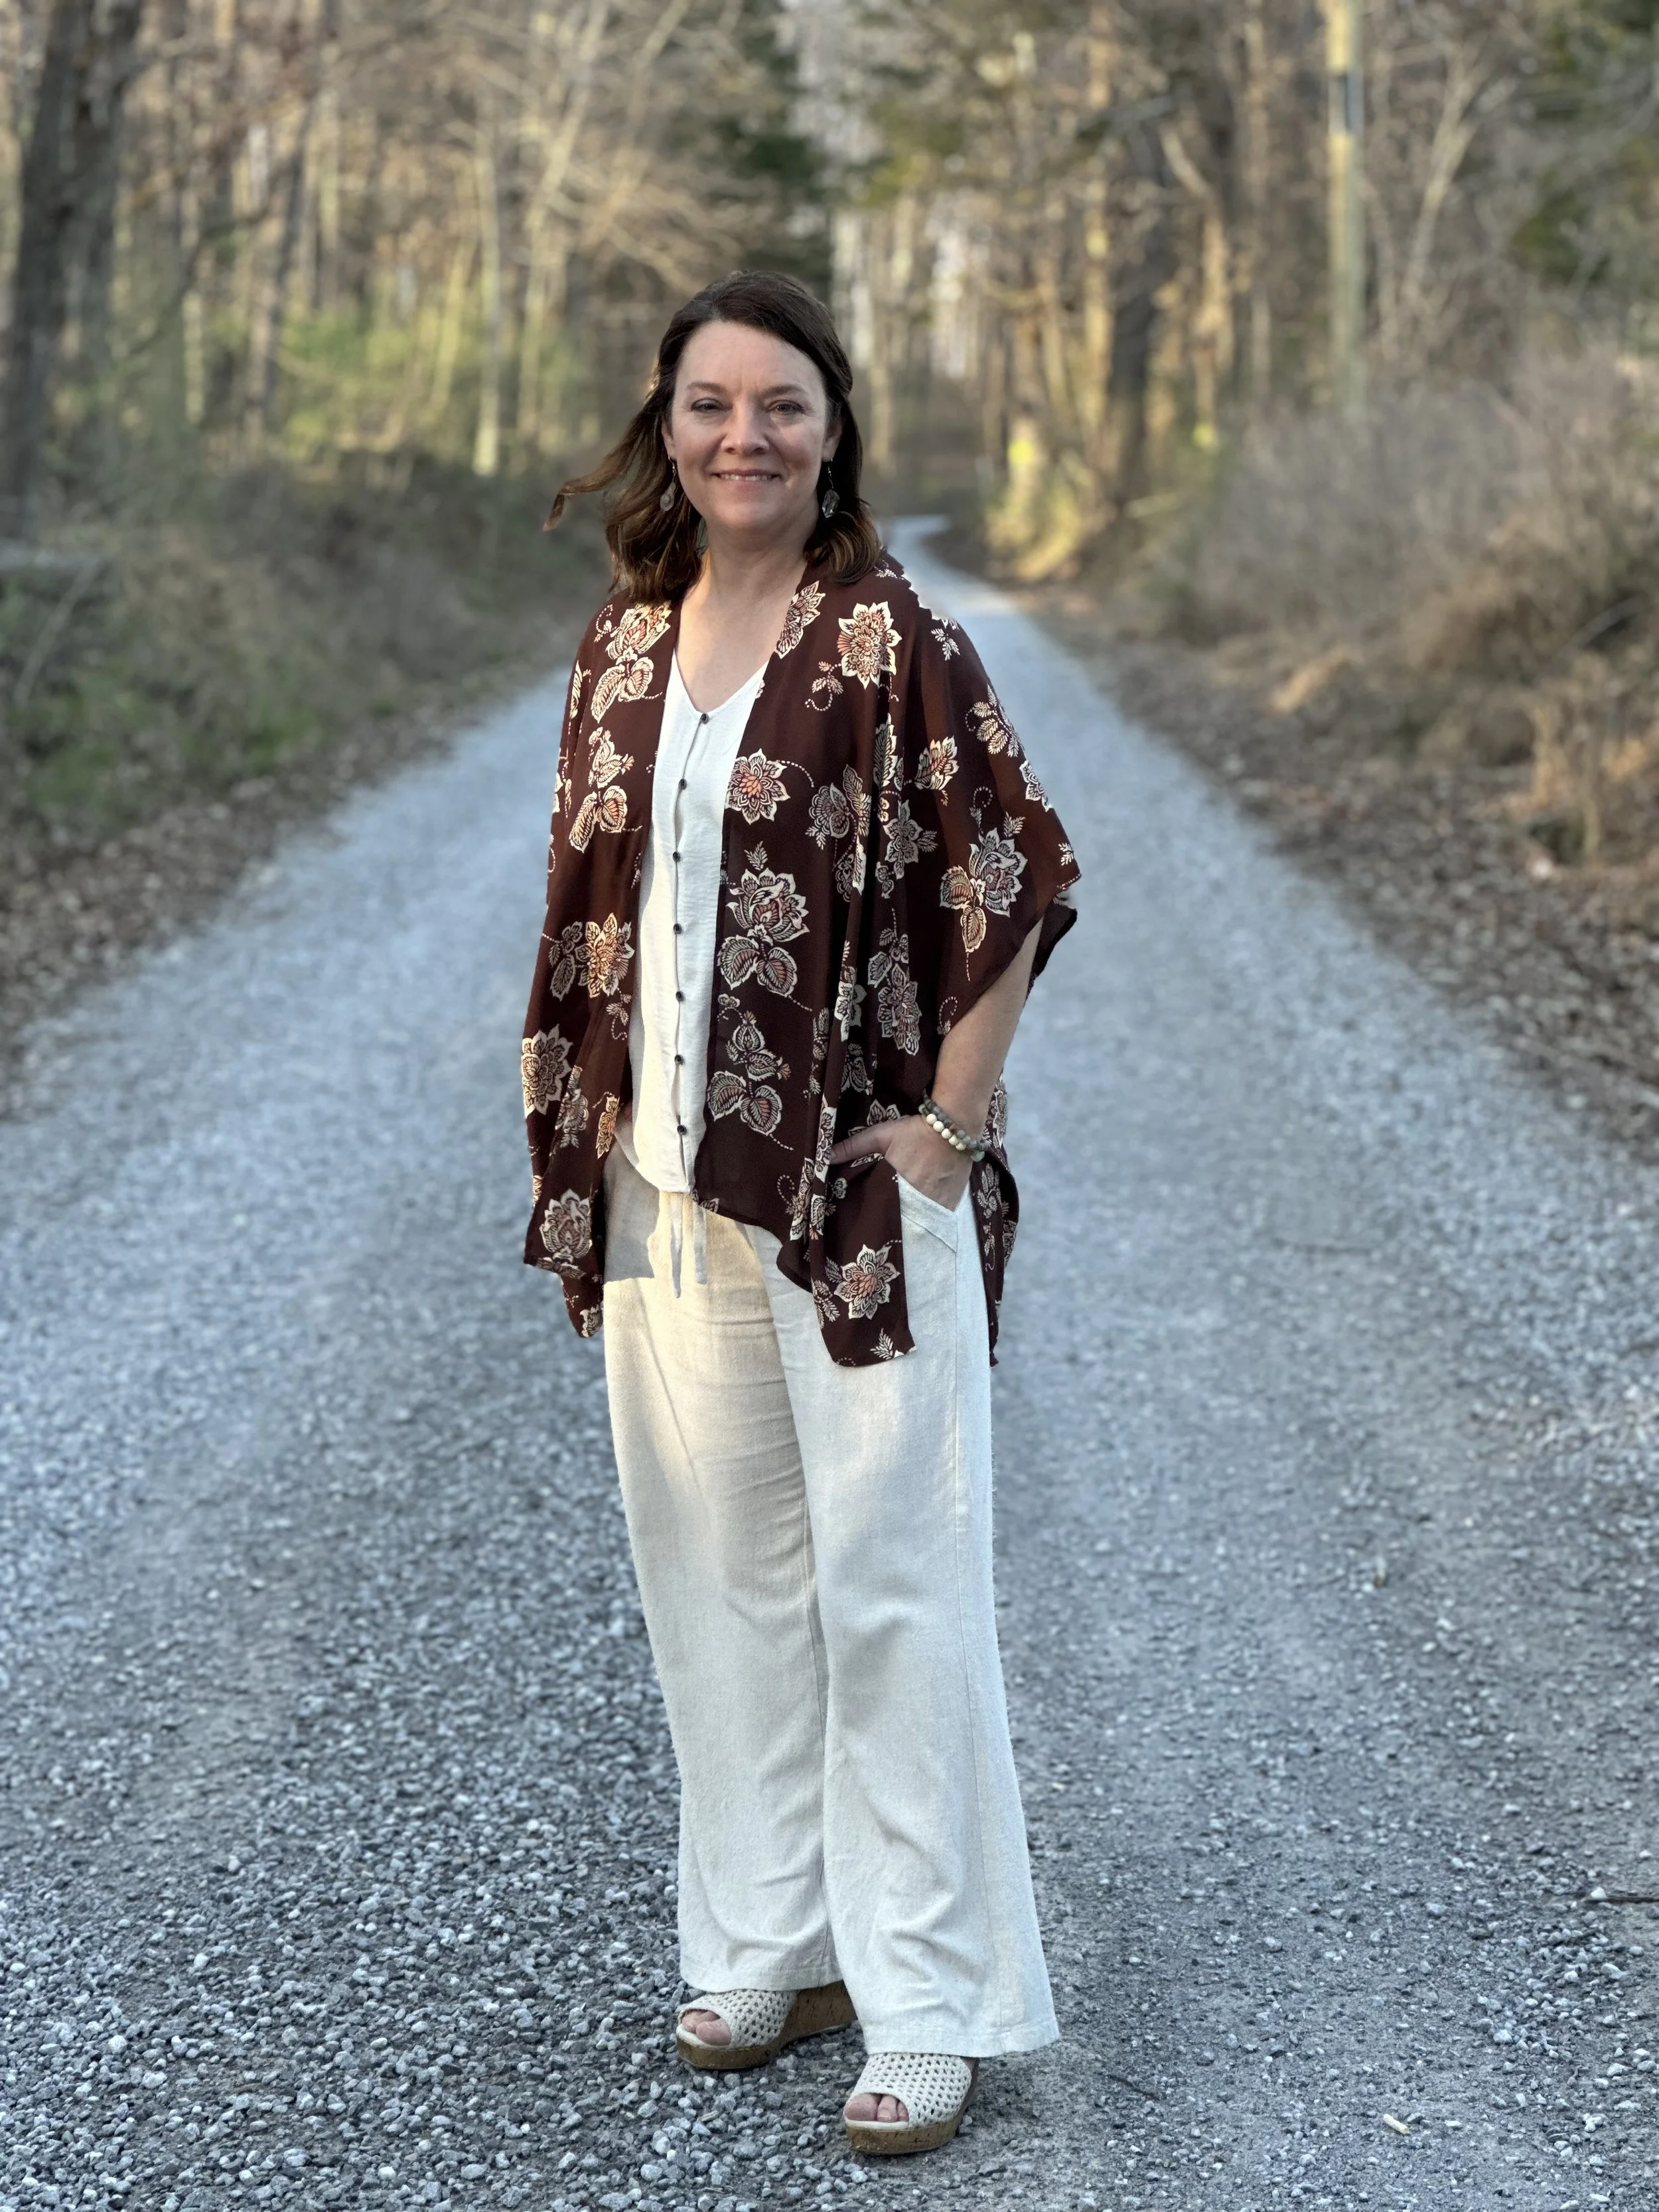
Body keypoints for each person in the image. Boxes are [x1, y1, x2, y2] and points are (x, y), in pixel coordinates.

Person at [522, 268, 1079, 2156]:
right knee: (715, 1580)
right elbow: (596, 912)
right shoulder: (619, 643)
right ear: (663, 427)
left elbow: (1018, 867)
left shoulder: (891, 638)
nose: (740, 434)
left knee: (895, 1591)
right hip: (665, 1187)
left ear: (831, 428)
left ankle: (923, 1997)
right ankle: (770, 1938)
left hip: (851, 1189)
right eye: (707, 403)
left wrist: (946, 1121)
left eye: (778, 403)